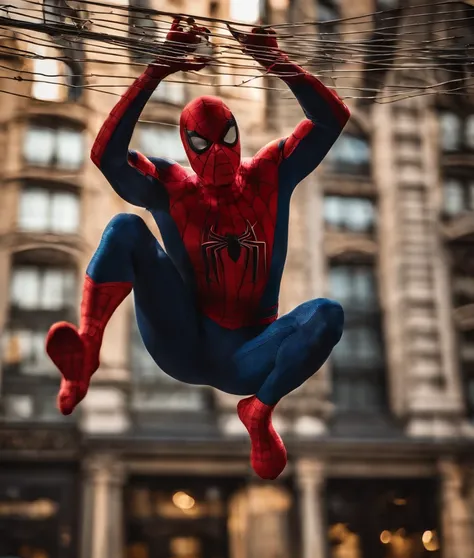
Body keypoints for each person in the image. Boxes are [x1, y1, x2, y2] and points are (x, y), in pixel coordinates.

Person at [46, 17, 350, 480]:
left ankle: (259, 412)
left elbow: (332, 120)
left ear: (239, 135)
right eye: (203, 144)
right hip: (182, 339)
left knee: (327, 314)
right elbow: (106, 158)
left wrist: (275, 60)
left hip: (250, 353)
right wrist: (156, 69)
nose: (218, 154)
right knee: (126, 227)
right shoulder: (171, 186)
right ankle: (87, 353)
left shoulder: (271, 171)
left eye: (227, 138)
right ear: (187, 147)